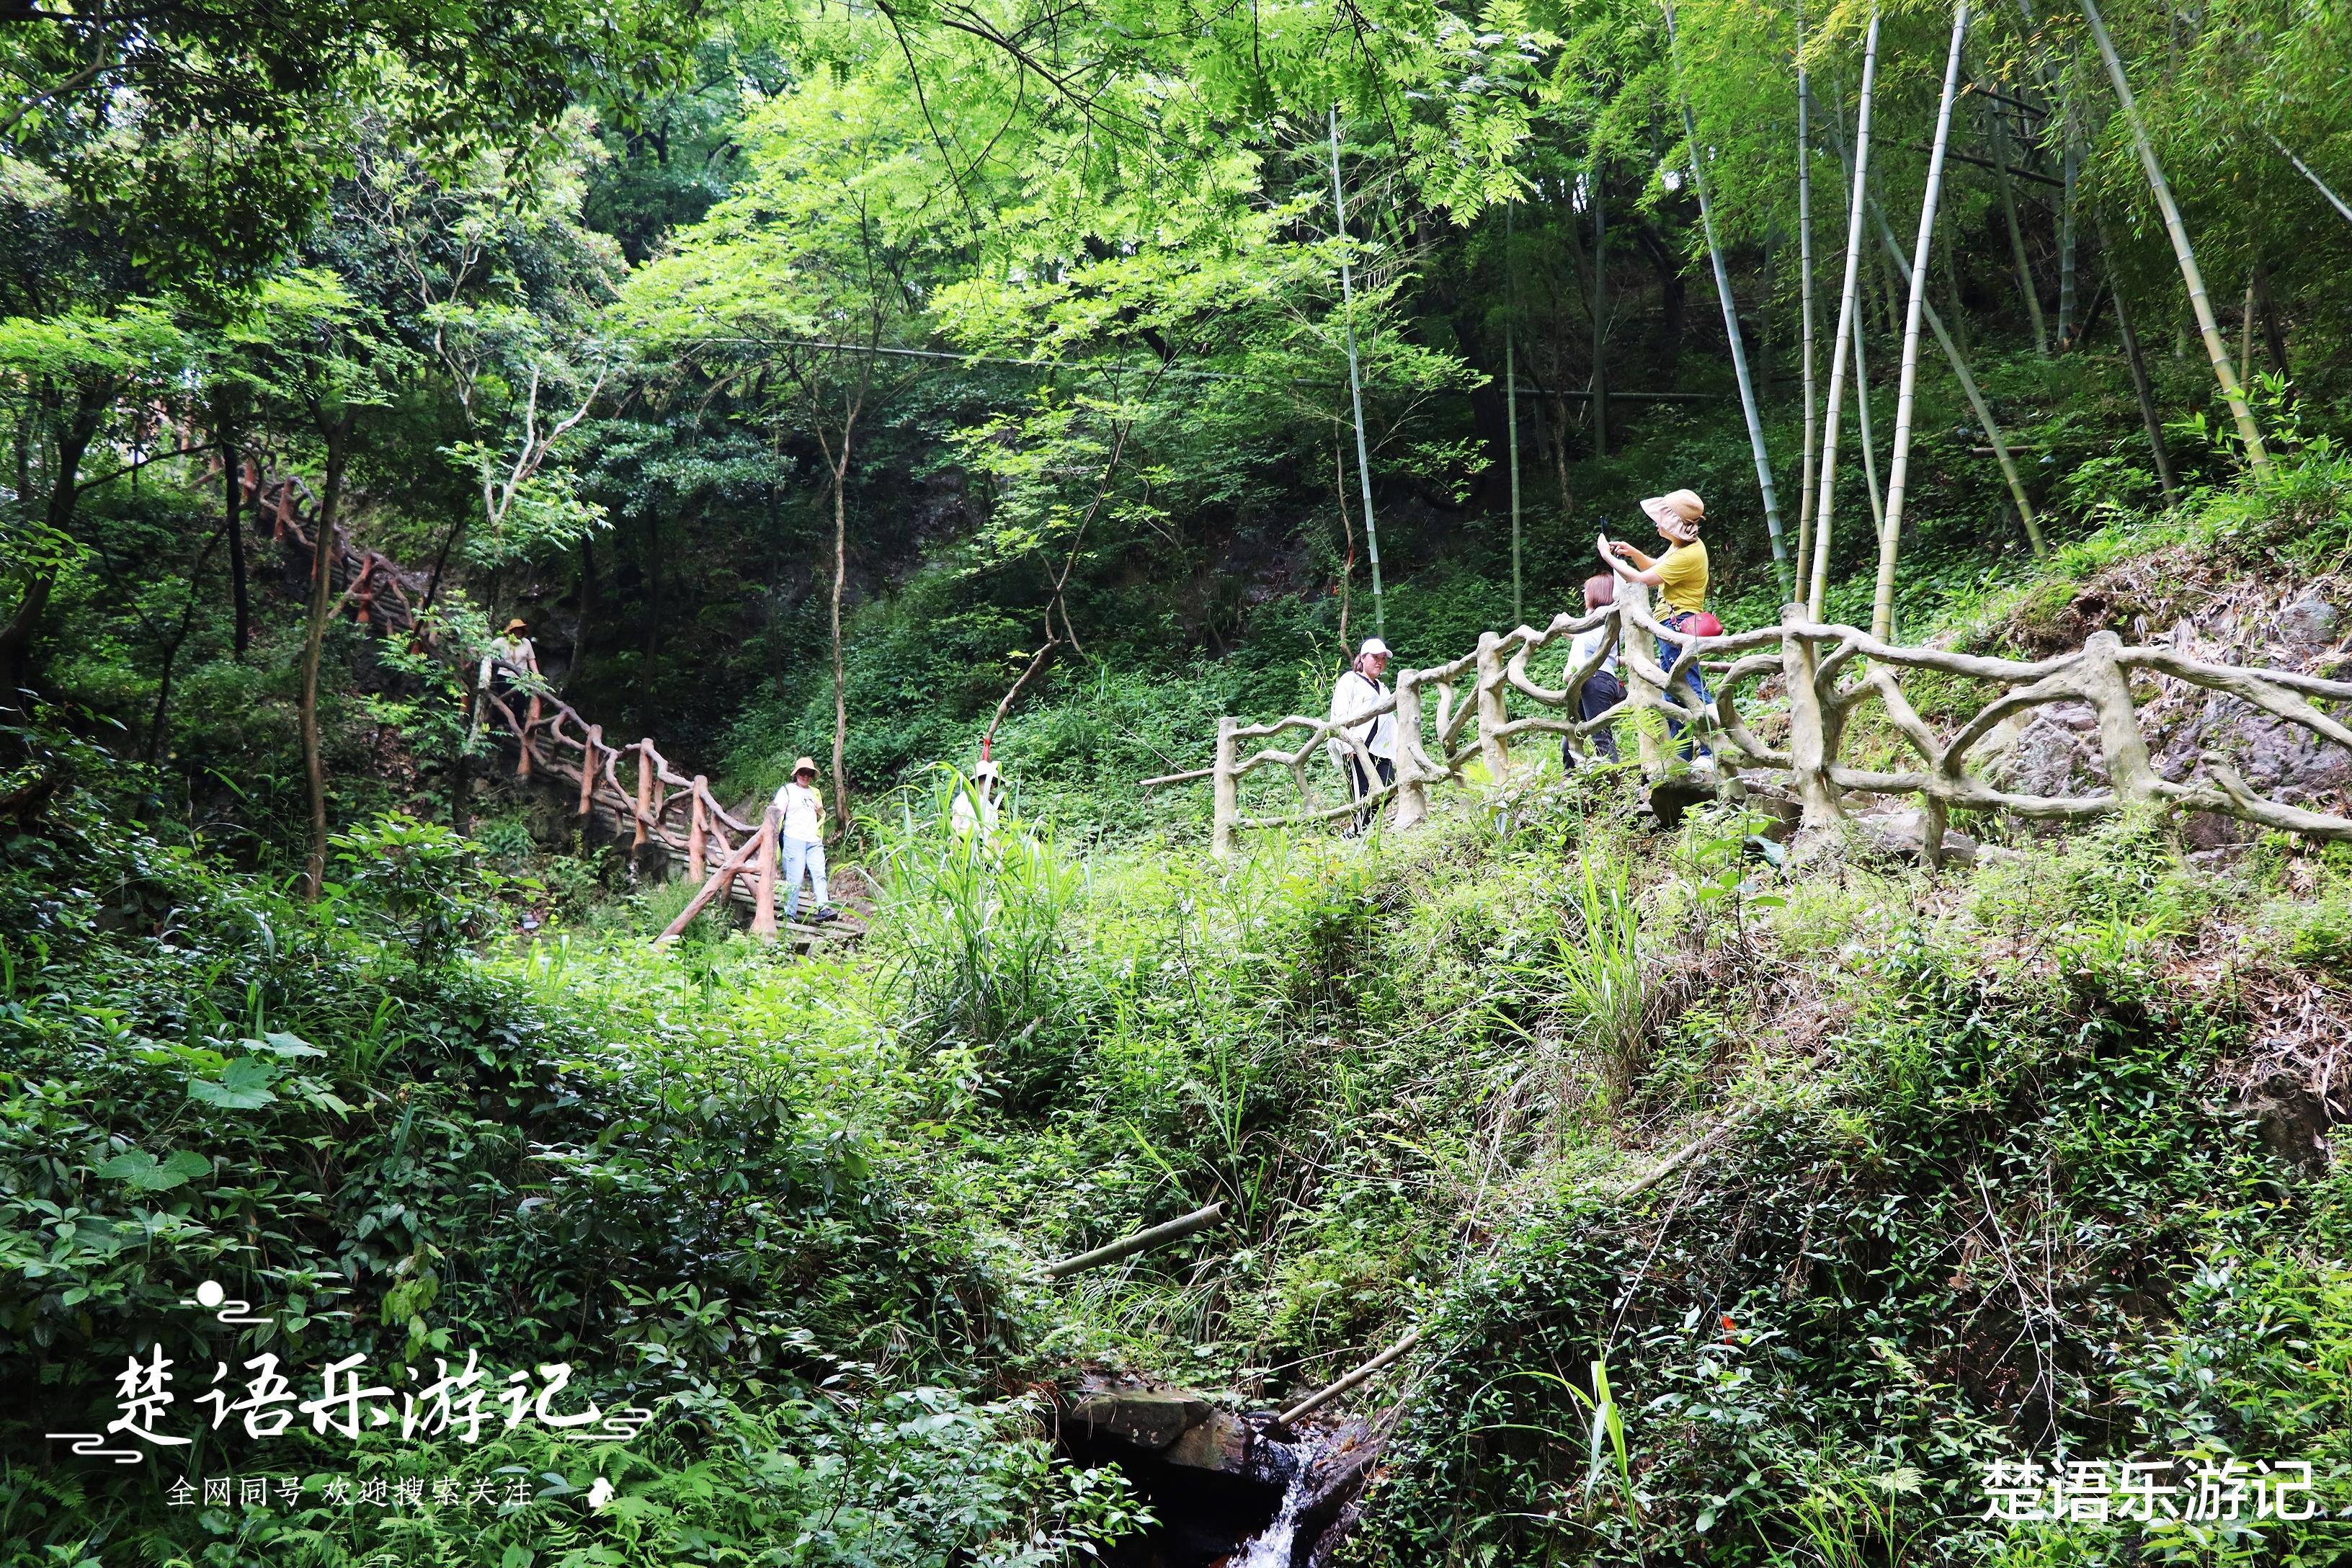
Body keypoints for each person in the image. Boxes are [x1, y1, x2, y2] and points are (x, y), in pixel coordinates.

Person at [1608, 489, 1715, 763]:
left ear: (1673, 524)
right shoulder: (1681, 546)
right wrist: (1632, 553)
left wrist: (1608, 558)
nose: (1656, 523)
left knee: (1689, 685)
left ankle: (1711, 752)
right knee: (1672, 691)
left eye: (1661, 519)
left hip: (1677, 624)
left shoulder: (1688, 553)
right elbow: (1656, 568)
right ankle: (1679, 759)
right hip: (1669, 624)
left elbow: (1642, 579)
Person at [1327, 636, 1396, 834]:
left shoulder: (1383, 688)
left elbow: (1390, 722)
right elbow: (1339, 713)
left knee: (1389, 787)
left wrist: (1397, 750)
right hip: (1356, 749)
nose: (1379, 662)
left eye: (1383, 658)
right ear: (1363, 658)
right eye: (1375, 657)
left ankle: (1356, 831)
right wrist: (1346, 744)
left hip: (1380, 750)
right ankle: (1359, 834)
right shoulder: (1350, 680)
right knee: (1363, 795)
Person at [1564, 574, 1626, 767]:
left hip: (1596, 680)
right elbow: (1589, 643)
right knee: (1571, 736)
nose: (1584, 595)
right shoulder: (1598, 618)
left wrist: (1576, 625)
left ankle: (1615, 785)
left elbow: (1594, 641)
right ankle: (1570, 780)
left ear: (1597, 593)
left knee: (1601, 737)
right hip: (1586, 682)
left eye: (1586, 591)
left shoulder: (1608, 615)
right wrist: (1574, 630)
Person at [772, 757, 838, 922]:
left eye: (809, 773)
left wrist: (822, 811)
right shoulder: (787, 790)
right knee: (795, 877)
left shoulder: (815, 792)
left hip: (813, 839)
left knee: (819, 873)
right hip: (793, 837)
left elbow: (821, 815)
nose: (805, 776)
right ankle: (789, 914)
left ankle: (823, 908)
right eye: (802, 772)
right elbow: (776, 813)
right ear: (796, 774)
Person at [950, 758, 1002, 838]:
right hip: (966, 841)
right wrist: (955, 838)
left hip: (985, 846)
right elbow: (957, 818)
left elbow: (995, 833)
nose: (991, 783)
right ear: (978, 779)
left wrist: (998, 851)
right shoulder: (967, 796)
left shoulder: (991, 806)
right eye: (987, 778)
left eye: (994, 781)